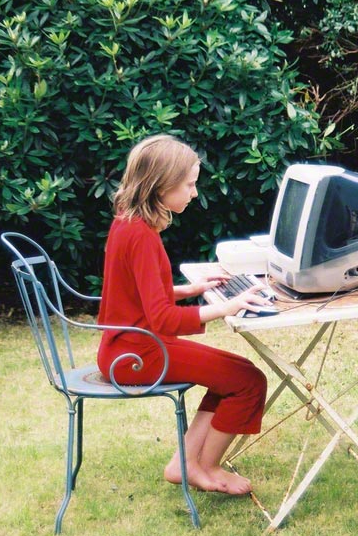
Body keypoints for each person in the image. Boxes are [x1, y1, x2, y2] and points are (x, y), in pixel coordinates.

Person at [96, 134, 271, 496]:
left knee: (236, 376)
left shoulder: (127, 223)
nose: (194, 193)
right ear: (161, 186)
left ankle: (185, 463)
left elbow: (137, 295)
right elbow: (161, 319)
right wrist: (225, 307)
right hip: (135, 354)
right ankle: (206, 468)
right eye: (189, 184)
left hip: (126, 347)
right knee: (248, 381)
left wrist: (190, 290)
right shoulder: (141, 236)